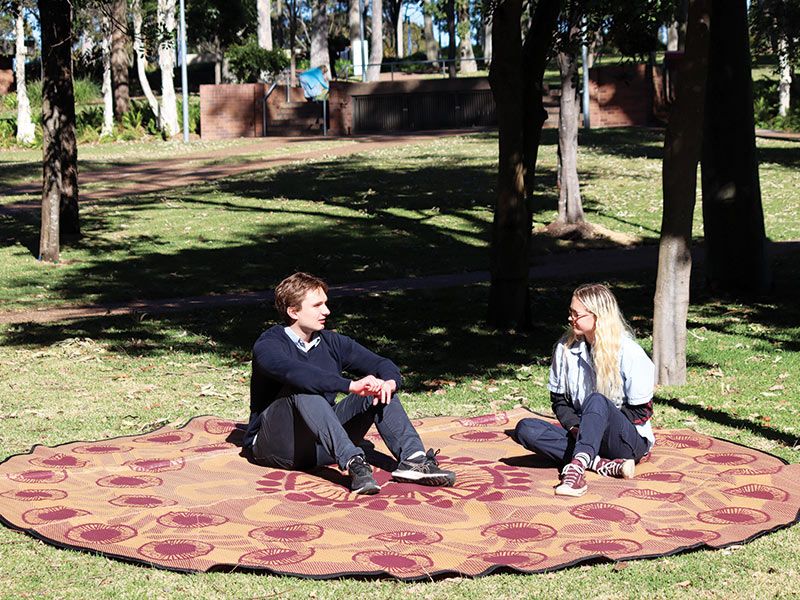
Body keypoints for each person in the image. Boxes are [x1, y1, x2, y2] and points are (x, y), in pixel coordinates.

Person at [244, 272, 456, 495]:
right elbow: (296, 373)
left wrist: (389, 383)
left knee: (378, 388)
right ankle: (354, 462)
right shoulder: (268, 344)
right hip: (276, 445)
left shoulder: (332, 342)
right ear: (293, 311)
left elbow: (381, 364)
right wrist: (349, 385)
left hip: (320, 447)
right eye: (317, 305)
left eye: (325, 303)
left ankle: (413, 461)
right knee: (303, 385)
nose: (326, 311)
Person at [513, 283, 655, 497]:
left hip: (626, 441)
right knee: (526, 429)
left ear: (597, 316)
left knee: (596, 401)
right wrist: (577, 427)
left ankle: (577, 472)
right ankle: (602, 464)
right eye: (570, 312)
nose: (570, 318)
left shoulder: (630, 353)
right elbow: (559, 400)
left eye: (576, 314)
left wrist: (595, 425)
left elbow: (641, 411)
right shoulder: (565, 349)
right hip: (583, 433)